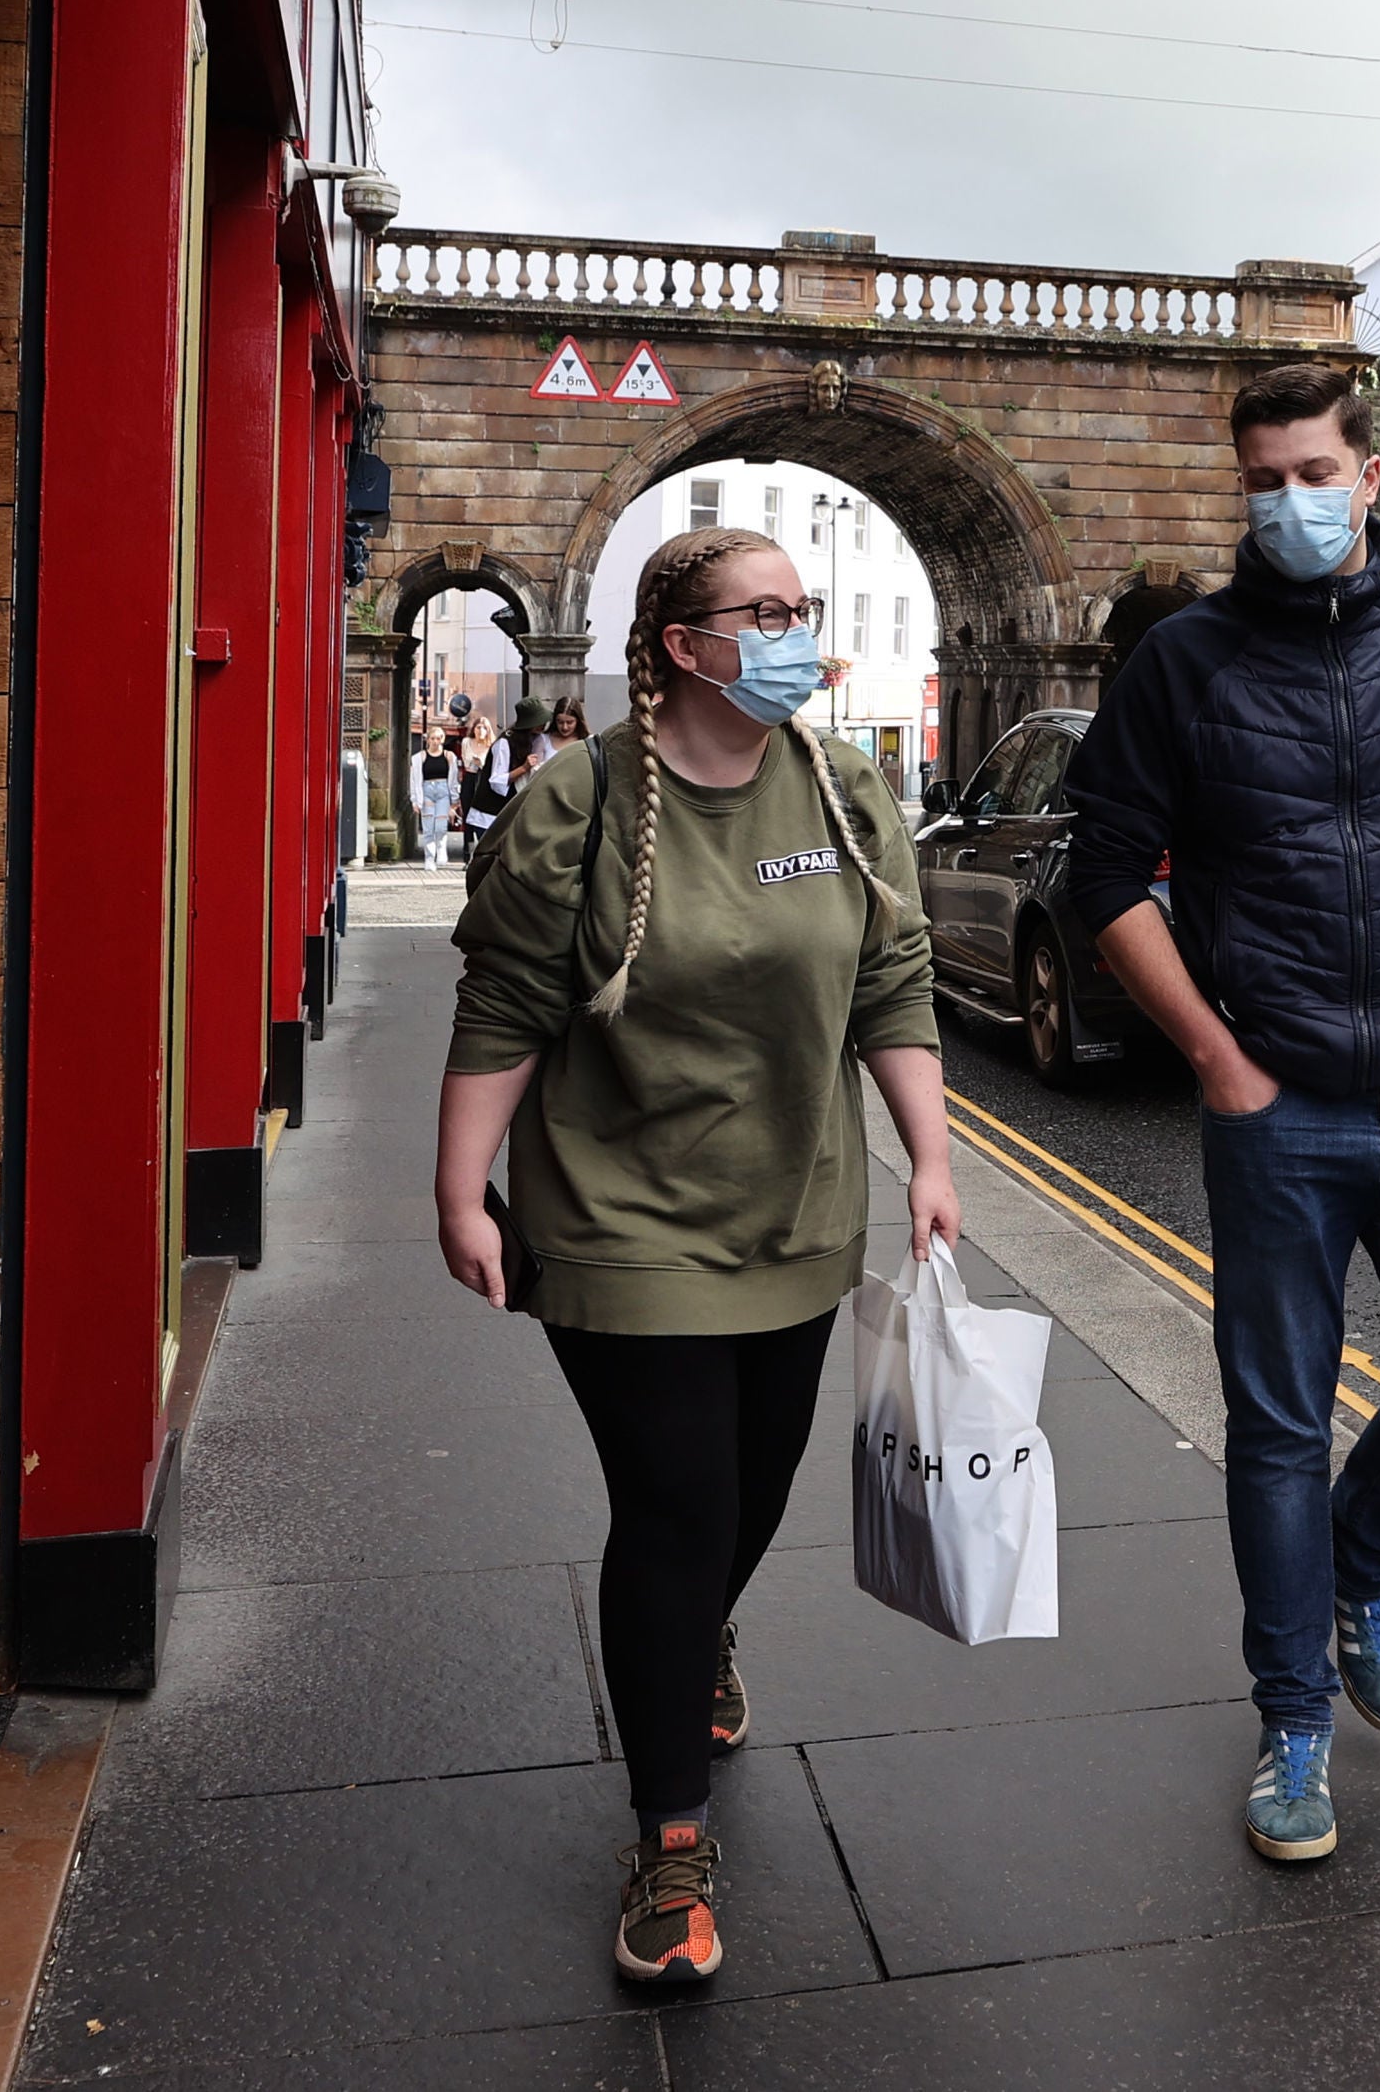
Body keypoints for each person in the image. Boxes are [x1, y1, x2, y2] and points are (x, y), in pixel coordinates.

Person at [1058, 362, 1380, 1865]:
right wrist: (1218, 1058)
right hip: (1277, 1109)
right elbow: (1105, 875)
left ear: (1372, 473)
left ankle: (1363, 1560)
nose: (1288, 499)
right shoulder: (1184, 661)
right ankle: (1292, 1724)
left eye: (1311, 471)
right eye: (1261, 478)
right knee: (1277, 1424)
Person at [433, 525, 958, 1985]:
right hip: (616, 1213)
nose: (799, 633)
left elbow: (894, 976)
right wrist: (459, 1187)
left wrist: (930, 1153)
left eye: (803, 609)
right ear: (683, 645)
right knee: (675, 1507)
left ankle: (695, 1638)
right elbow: (507, 1004)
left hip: (795, 1210)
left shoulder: (846, 788)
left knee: (751, 1494)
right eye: (768, 611)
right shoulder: (579, 799)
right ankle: (669, 1840)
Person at [463, 698, 549, 842]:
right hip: (490, 816)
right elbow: (497, 781)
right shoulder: (505, 743)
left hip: (509, 816)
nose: (543, 725)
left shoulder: (536, 739)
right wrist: (524, 768)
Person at [411, 730, 462, 868]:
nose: (435, 741)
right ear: (428, 740)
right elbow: (414, 780)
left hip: (443, 791)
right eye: (432, 738)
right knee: (428, 828)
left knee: (440, 826)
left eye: (438, 738)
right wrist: (415, 800)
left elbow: (455, 779)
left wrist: (455, 800)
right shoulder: (419, 757)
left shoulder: (449, 756)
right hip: (426, 791)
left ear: (443, 740)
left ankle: (441, 849)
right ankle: (429, 858)